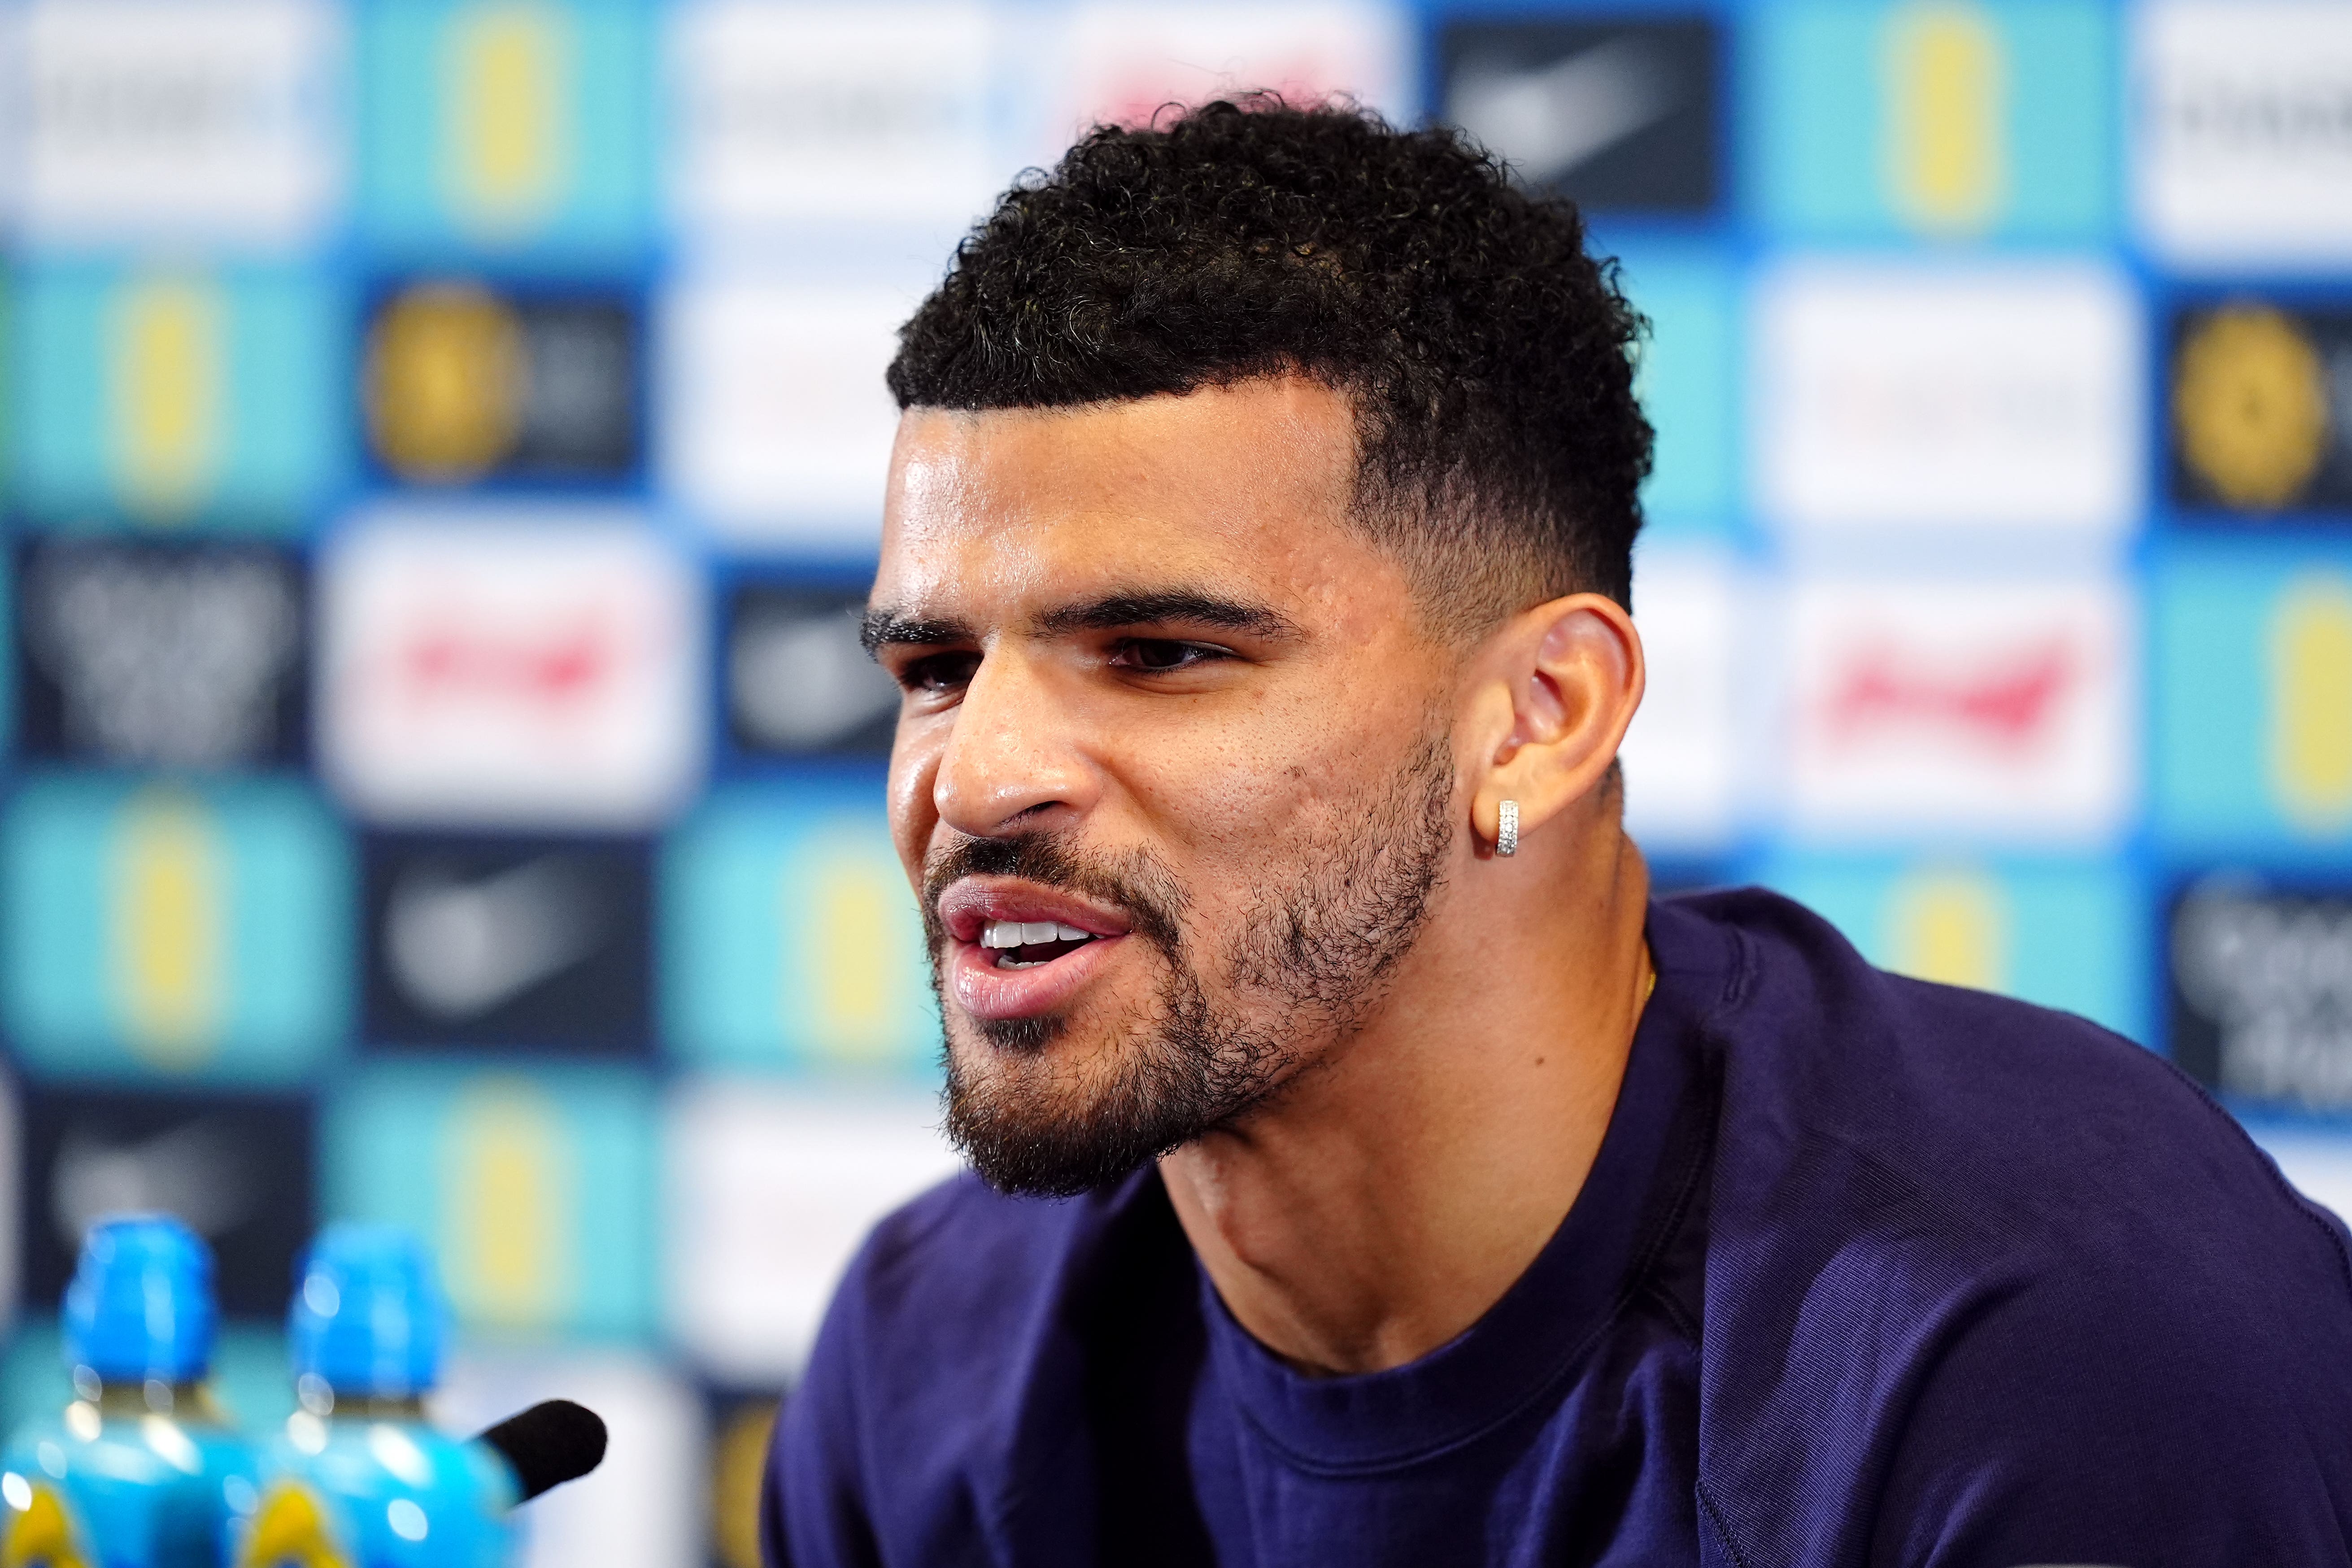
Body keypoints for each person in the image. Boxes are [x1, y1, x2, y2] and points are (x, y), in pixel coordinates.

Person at [762, 99, 2352, 1566]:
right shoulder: (927, 1366)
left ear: (1539, 715)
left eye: (1163, 654)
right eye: (935, 670)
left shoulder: (2037, 1350)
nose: (973, 780)